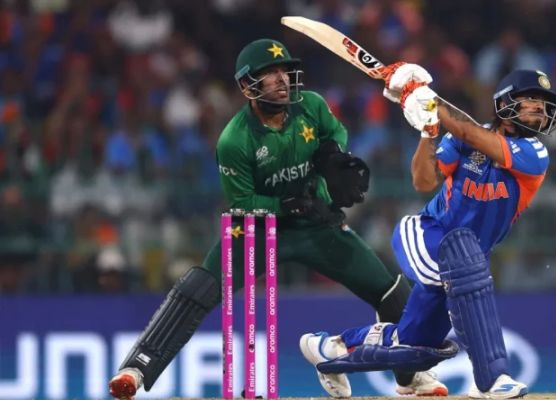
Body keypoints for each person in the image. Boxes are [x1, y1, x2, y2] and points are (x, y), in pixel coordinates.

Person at [108, 40, 446, 399]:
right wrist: (288, 206)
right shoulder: (234, 140)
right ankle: (137, 368)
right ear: (247, 85)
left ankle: (410, 377)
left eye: (285, 70)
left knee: (393, 292)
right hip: (256, 230)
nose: (282, 79)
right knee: (200, 287)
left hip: (316, 223)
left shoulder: (311, 105)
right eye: (270, 73)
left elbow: (336, 133)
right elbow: (242, 202)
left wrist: (332, 154)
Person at [299, 64, 556, 399]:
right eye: (531, 99)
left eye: (544, 103)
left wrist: (427, 99)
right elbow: (423, 181)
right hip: (427, 234)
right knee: (465, 260)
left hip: (466, 262)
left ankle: (329, 350)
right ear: (505, 102)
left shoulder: (534, 153)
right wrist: (428, 131)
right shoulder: (462, 137)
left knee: (414, 347)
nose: (540, 108)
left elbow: (471, 133)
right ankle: (493, 378)